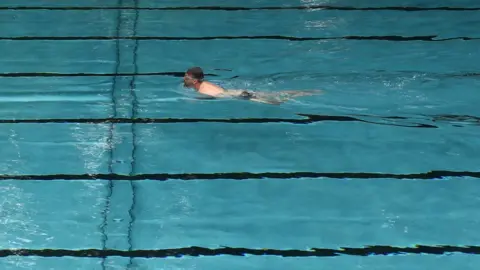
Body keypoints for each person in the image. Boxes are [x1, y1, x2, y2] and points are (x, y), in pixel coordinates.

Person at [183, 67, 322, 105]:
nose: (184, 78)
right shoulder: (204, 84)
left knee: (276, 100)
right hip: (236, 93)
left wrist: (195, 100)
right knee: (276, 97)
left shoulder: (204, 89)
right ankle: (306, 91)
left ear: (195, 81)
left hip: (238, 95)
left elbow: (215, 97)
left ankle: (308, 92)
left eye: (187, 77)